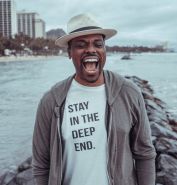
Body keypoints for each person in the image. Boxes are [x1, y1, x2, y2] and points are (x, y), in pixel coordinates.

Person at [32, 13, 156, 185]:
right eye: (81, 45)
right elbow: (41, 165)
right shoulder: (51, 101)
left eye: (98, 44)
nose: (91, 49)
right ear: (69, 52)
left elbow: (145, 154)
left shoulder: (128, 93)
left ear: (104, 50)